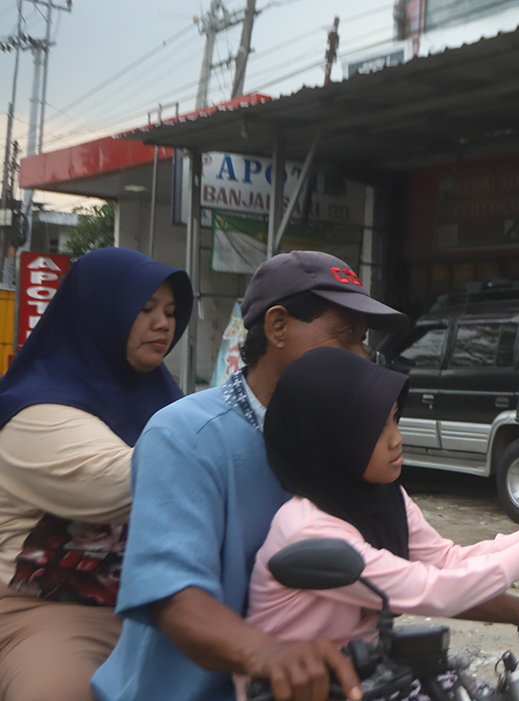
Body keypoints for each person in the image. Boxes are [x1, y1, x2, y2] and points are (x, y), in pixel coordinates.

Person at [92, 251, 412, 701]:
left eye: (365, 342)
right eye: (346, 339)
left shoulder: (343, 440)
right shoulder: (184, 437)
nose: (361, 358)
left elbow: (422, 560)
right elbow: (175, 598)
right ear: (278, 326)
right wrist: (267, 653)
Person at [247, 347, 519, 698]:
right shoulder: (309, 527)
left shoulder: (379, 497)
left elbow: (446, 561)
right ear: (328, 440)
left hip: (365, 675)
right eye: (376, 429)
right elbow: (432, 590)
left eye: (394, 420)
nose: (397, 440)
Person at [0, 247, 191, 701]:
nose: (162, 323)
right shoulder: (37, 409)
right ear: (100, 313)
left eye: (169, 311)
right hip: (44, 610)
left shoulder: (164, 398)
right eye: (144, 309)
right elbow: (121, 482)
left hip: (164, 608)